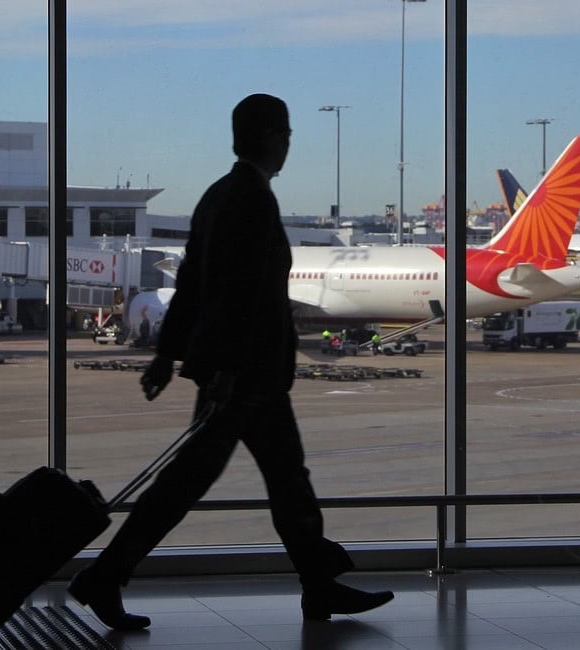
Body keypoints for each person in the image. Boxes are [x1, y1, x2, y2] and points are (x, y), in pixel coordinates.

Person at [68, 93, 393, 630]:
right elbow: (241, 296)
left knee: (265, 481)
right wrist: (227, 371)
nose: (289, 143)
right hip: (247, 378)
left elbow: (193, 285)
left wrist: (168, 356)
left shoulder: (218, 195)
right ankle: (105, 576)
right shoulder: (253, 200)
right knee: (241, 482)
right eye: (286, 133)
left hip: (237, 373)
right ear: (268, 137)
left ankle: (317, 585)